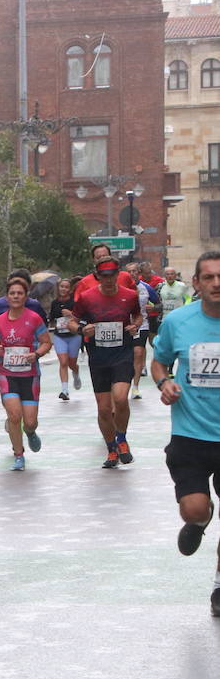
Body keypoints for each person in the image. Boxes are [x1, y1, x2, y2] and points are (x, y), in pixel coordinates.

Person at [152, 251, 220, 615]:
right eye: (208, 277)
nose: (216, 283)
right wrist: (164, 382)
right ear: (196, 283)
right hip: (191, 434)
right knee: (193, 508)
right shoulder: (178, 322)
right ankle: (200, 520)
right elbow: (158, 360)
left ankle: (219, 586)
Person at [70, 257, 143, 468]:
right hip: (98, 357)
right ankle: (111, 448)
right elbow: (72, 321)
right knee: (103, 409)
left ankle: (122, 439)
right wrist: (82, 330)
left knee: (120, 399)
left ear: (118, 274)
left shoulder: (130, 296)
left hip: (122, 354)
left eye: (112, 274)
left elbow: (138, 316)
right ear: (98, 276)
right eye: (104, 275)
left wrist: (135, 326)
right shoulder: (86, 297)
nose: (109, 279)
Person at [0, 278, 51, 470]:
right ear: (7, 296)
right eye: (12, 293)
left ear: (26, 296)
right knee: (15, 416)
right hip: (6, 374)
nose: (16, 296)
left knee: (30, 422)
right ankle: (19, 455)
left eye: (19, 293)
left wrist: (37, 354)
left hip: (30, 375)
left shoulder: (34, 318)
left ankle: (31, 433)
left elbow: (46, 342)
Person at [130, 262, 163, 399]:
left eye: (135, 271)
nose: (132, 274)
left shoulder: (146, 288)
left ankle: (135, 387)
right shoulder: (119, 287)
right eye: (129, 272)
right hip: (124, 327)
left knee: (138, 352)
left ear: (139, 273)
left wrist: (153, 308)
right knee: (126, 357)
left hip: (141, 325)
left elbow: (159, 304)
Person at [0, 269, 47, 335]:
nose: (17, 287)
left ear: (28, 287)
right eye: (14, 284)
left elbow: (43, 326)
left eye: (22, 285)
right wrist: (2, 335)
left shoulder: (35, 305)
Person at [48, 277, 83, 401]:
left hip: (74, 336)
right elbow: (51, 319)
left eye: (66, 287)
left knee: (71, 363)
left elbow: (82, 318)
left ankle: (76, 372)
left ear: (70, 289)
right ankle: (65, 390)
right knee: (63, 362)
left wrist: (71, 314)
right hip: (59, 336)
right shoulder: (54, 303)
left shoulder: (75, 302)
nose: (63, 289)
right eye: (61, 286)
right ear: (58, 288)